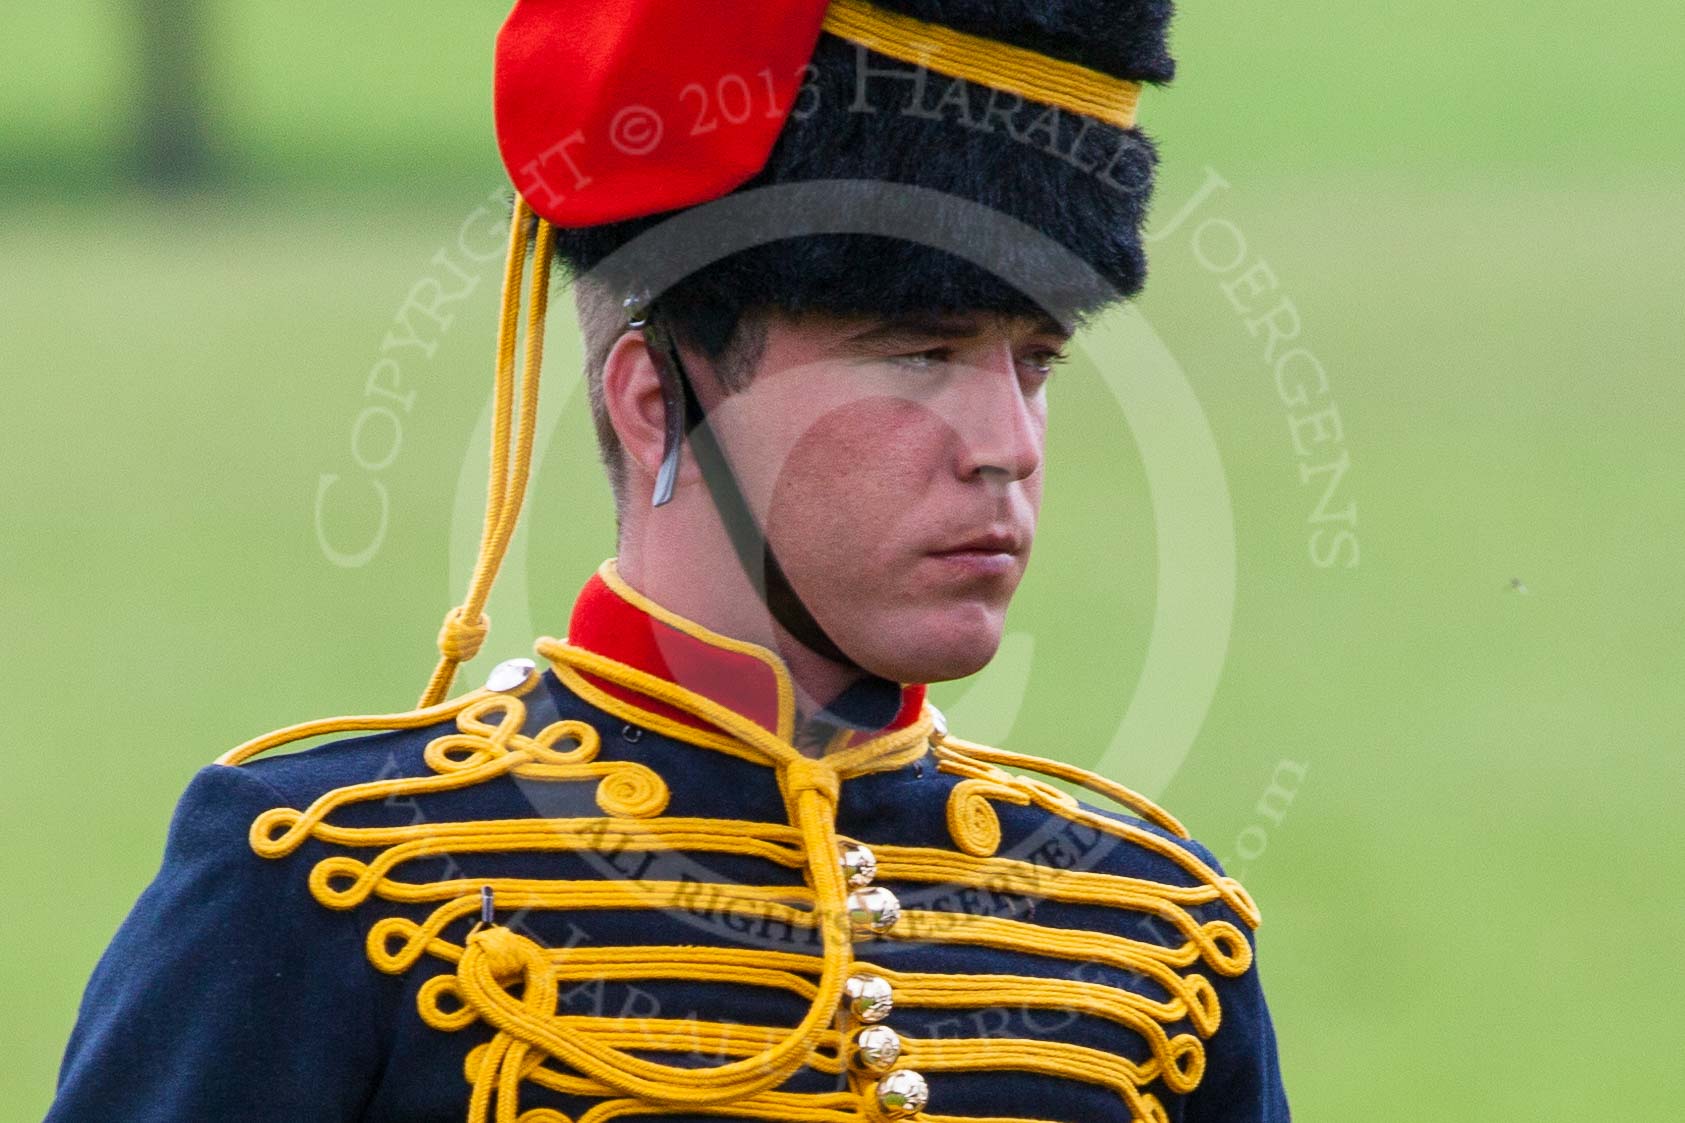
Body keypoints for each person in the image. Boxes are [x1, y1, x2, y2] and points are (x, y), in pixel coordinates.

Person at [47, 1, 1290, 1120]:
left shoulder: (1155, 949)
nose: (1007, 449)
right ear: (656, 402)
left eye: (1035, 364)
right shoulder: (337, 889)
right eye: (917, 353)